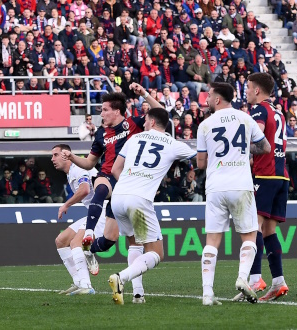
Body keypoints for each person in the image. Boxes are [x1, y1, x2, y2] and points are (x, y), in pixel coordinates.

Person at [107, 108, 196, 305]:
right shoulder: (172, 144)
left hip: (118, 196)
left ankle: (138, 294)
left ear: (153, 122)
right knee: (156, 253)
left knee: (134, 244)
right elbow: (197, 156)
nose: (144, 123)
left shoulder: (134, 139)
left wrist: (129, 185)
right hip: (139, 199)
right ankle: (121, 277)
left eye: (146, 120)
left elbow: (115, 169)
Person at [196, 82, 271, 306]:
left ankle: (207, 294)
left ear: (218, 100)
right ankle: (242, 278)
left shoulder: (205, 124)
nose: (207, 100)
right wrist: (243, 151)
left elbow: (201, 163)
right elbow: (265, 147)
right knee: (249, 235)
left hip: (216, 186)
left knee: (212, 240)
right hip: (241, 184)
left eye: (209, 96)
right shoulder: (246, 118)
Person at [61, 92, 145, 272]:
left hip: (127, 181)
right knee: (99, 190)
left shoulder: (134, 124)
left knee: (109, 240)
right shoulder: (101, 133)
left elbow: (160, 114)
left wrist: (144, 94)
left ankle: (88, 249)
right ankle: (89, 233)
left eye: (105, 110)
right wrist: (72, 156)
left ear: (117, 111)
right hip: (106, 175)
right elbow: (89, 163)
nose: (102, 114)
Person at [236, 73, 290, 302]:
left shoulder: (258, 109)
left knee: (253, 227)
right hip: (281, 176)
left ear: (257, 90)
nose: (246, 91)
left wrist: (239, 152)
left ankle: (256, 278)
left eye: (248, 87)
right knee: (269, 231)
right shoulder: (279, 112)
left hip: (265, 175)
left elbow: (256, 138)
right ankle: (279, 282)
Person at [52, 144, 108, 296]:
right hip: (94, 210)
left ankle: (86, 286)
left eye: (56, 155)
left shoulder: (78, 168)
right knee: (61, 241)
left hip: (104, 211)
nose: (52, 159)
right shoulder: (72, 172)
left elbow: (85, 190)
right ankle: (78, 282)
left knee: (76, 242)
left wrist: (66, 205)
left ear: (65, 155)